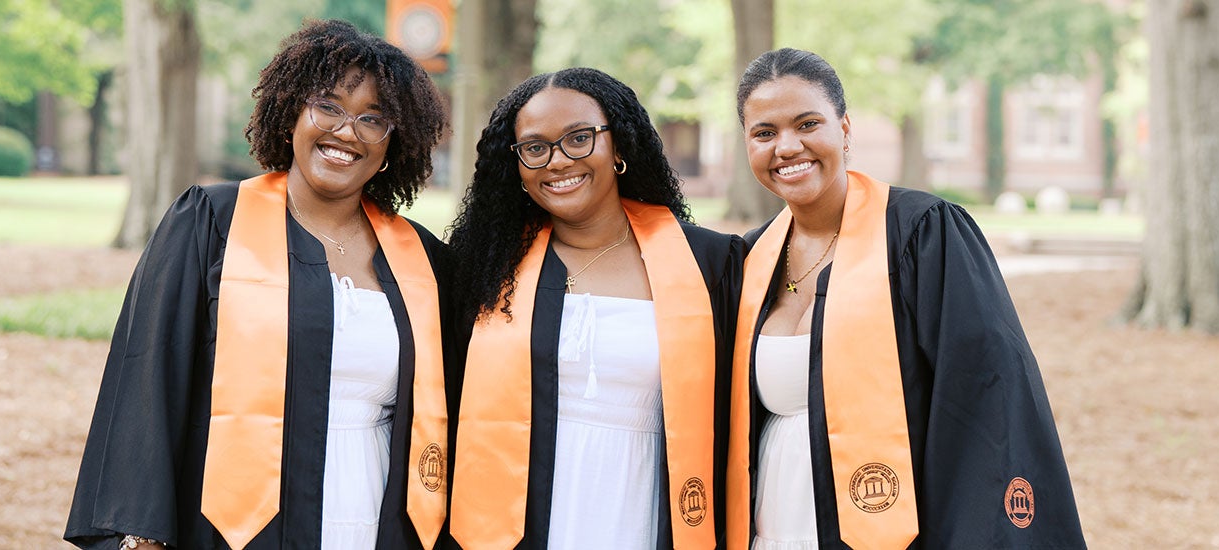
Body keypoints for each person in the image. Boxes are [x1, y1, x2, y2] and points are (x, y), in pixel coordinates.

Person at [64, 20, 456, 550]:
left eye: (373, 118)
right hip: (236, 526)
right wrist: (141, 535)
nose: (347, 131)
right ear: (292, 111)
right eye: (329, 107)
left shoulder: (422, 258)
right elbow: (148, 377)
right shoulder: (211, 223)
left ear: (394, 141)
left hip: (378, 515)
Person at [724, 48, 1085, 549]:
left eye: (807, 123)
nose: (787, 146)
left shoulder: (922, 234)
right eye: (764, 133)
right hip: (773, 525)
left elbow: (984, 398)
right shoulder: (750, 258)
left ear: (845, 130)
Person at [446, 67, 742, 549]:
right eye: (535, 148)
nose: (557, 161)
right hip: (519, 525)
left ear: (618, 146)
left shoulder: (709, 264)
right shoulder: (486, 269)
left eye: (579, 138)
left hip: (647, 517)